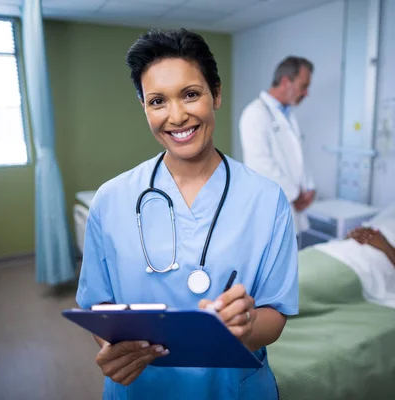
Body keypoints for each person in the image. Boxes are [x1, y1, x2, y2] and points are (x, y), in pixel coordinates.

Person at [75, 28, 298, 399]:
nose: (176, 116)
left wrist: (247, 323)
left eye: (191, 94)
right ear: (144, 108)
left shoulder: (267, 200)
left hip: (233, 389)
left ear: (217, 94)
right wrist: (118, 348)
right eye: (157, 101)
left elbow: (275, 313)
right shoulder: (111, 199)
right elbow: (99, 304)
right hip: (141, 388)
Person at [239, 56, 316, 236]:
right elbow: (260, 164)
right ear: (285, 82)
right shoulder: (255, 113)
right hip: (271, 209)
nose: (307, 93)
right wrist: (295, 195)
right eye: (303, 86)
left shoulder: (288, 114)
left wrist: (310, 187)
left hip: (293, 208)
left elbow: (298, 157)